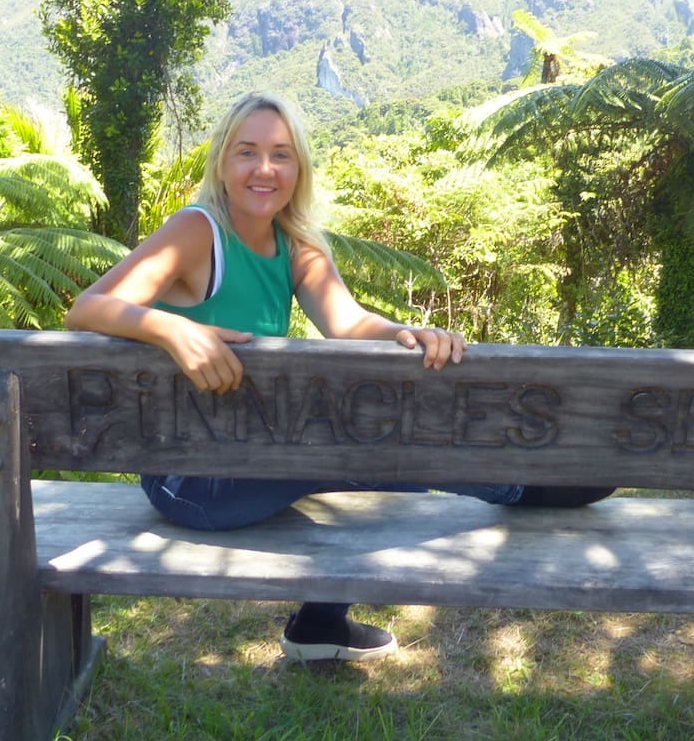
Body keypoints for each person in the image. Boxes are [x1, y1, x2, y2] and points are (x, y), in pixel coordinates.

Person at [66, 91, 609, 663]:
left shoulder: (297, 246)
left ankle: (322, 623)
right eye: (247, 152)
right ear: (222, 164)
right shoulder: (197, 231)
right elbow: (88, 308)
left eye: (281, 155)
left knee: (379, 450)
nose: (264, 169)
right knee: (381, 457)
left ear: (298, 169)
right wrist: (171, 330)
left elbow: (348, 323)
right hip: (189, 481)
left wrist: (408, 333)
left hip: (255, 453)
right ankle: (521, 487)